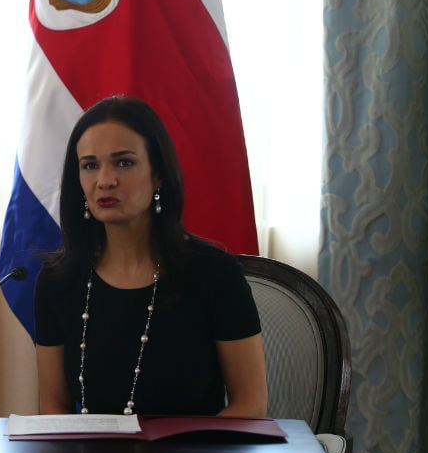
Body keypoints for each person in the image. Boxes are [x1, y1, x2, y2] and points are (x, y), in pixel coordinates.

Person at [34, 95, 267, 416]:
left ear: (158, 174)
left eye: (124, 162)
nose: (105, 180)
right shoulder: (58, 280)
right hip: (92, 450)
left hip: (197, 450)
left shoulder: (215, 274)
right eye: (90, 165)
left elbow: (251, 405)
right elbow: (54, 406)